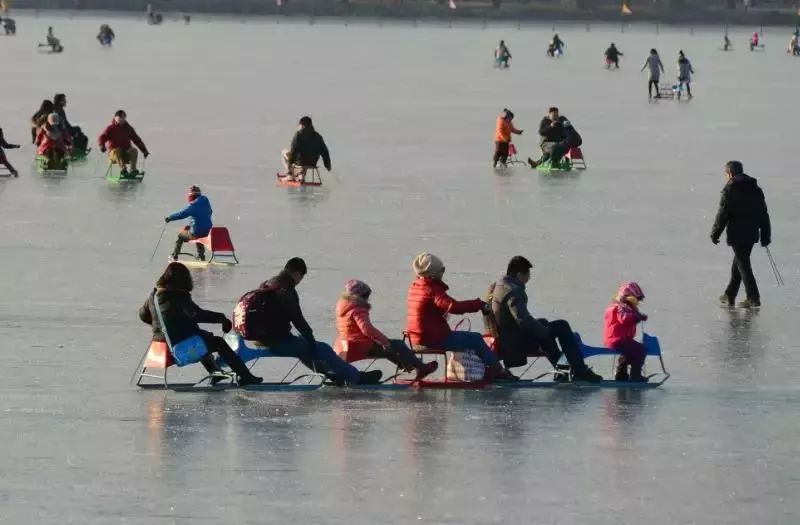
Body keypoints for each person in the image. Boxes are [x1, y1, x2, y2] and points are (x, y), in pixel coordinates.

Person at [243, 258, 382, 385]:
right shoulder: (286, 289)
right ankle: (356, 378)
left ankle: (332, 375)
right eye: (301, 277)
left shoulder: (268, 283)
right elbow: (297, 318)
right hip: (275, 342)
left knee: (303, 343)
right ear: (297, 273)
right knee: (323, 349)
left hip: (260, 338)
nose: (299, 280)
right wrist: (311, 339)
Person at [139, 262, 263, 386]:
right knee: (218, 343)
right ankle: (246, 377)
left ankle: (215, 372)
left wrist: (162, 327)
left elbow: (143, 315)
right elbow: (197, 314)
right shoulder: (178, 295)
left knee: (202, 337)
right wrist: (221, 318)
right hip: (179, 350)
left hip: (159, 346)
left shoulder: (154, 295)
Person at [484, 256, 602, 382]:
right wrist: (544, 332)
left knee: (544, 324)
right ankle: (579, 371)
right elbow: (523, 321)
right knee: (561, 326)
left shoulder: (498, 286)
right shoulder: (514, 291)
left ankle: (561, 371)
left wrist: (542, 328)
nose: (529, 277)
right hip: (514, 344)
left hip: (505, 337)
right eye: (527, 274)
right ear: (519, 275)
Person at [405, 252, 515, 381]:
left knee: (466, 338)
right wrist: (478, 304)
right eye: (442, 270)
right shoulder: (432, 290)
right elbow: (453, 307)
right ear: (433, 273)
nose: (443, 273)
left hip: (415, 338)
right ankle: (498, 371)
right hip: (433, 338)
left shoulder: (415, 287)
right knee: (475, 339)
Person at [334, 279, 439, 380]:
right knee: (397, 345)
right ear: (361, 295)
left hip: (347, 344)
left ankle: (409, 365)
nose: (368, 299)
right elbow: (367, 330)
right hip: (361, 346)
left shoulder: (344, 306)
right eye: (367, 296)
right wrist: (384, 341)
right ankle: (421, 368)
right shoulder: (358, 309)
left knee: (390, 346)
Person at [711, 161, 771, 308]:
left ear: (730, 173)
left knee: (743, 264)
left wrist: (715, 233)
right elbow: (763, 213)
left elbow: (722, 215)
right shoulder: (755, 189)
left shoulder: (730, 189)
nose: (726, 177)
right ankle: (729, 294)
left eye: (726, 174)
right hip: (751, 233)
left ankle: (753, 297)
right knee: (739, 262)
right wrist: (765, 235)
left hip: (737, 234)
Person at [604, 282, 649, 382]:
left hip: (620, 339)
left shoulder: (625, 307)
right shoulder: (620, 307)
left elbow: (631, 315)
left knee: (628, 353)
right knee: (640, 350)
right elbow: (624, 318)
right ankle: (635, 375)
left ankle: (621, 375)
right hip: (618, 339)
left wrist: (640, 316)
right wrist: (636, 317)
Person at [165, 186, 212, 262]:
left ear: (191, 196)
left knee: (180, 236)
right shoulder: (206, 200)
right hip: (208, 231)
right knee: (199, 236)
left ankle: (175, 256)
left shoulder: (193, 205)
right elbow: (209, 212)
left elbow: (181, 214)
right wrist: (192, 225)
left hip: (197, 232)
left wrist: (170, 218)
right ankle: (202, 257)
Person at [98, 109, 149, 176]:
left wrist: (144, 150)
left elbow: (137, 140)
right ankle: (123, 170)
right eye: (120, 117)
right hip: (114, 155)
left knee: (133, 150)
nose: (122, 119)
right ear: (115, 118)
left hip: (125, 154)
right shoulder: (110, 128)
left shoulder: (128, 128)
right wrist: (102, 145)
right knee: (117, 150)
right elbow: (102, 137)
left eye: (123, 117)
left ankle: (133, 170)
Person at [281, 116, 331, 183]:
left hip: (300, 162)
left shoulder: (298, 134)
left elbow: (293, 151)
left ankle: (290, 175)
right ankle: (300, 175)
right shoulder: (318, 136)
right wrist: (327, 165)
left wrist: (290, 165)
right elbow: (325, 152)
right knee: (306, 155)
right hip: (312, 162)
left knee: (284, 152)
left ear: (302, 125)